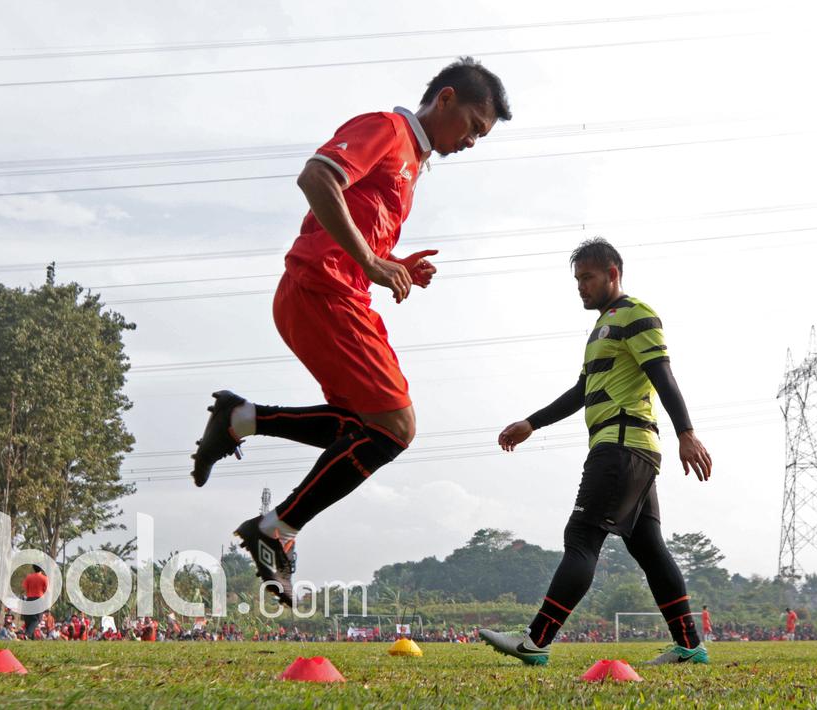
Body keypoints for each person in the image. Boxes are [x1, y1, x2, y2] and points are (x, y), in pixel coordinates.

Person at [187, 57, 512, 606]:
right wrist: (370, 261)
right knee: (396, 427)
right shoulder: (387, 128)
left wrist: (393, 263)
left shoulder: (412, 163)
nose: (472, 143)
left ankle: (241, 420)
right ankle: (276, 528)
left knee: (364, 427)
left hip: (334, 292)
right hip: (323, 290)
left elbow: (357, 228)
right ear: (448, 99)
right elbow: (316, 178)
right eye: (474, 127)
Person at [479, 238, 713, 666]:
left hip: (620, 447)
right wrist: (532, 423)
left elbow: (663, 376)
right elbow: (584, 391)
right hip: (632, 449)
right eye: (577, 280)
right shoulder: (602, 328)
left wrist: (686, 432)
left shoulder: (636, 315)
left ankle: (536, 641)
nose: (581, 287)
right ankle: (689, 646)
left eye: (587, 277)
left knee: (582, 537)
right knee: (649, 548)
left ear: (613, 274)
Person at [22, 564, 48, 640]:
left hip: (29, 599)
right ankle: (27, 634)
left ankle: (31, 638)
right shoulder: (44, 578)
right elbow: (47, 591)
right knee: (37, 619)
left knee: (29, 619)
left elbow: (24, 588)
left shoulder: (29, 577)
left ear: (33, 568)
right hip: (39, 600)